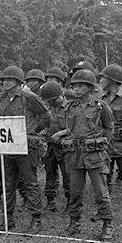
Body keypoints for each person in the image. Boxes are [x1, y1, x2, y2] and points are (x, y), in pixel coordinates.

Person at [51, 69, 114, 240]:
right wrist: (62, 135)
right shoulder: (70, 107)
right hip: (75, 154)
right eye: (74, 86)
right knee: (75, 191)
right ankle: (74, 222)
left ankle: (107, 224)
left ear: (89, 87)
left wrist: (103, 144)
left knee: (101, 191)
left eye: (80, 86)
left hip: (95, 155)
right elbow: (70, 128)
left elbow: (109, 127)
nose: (76, 89)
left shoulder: (101, 107)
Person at [0, 66, 51, 232]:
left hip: (26, 147)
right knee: (8, 183)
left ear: (18, 82)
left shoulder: (29, 97)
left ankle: (36, 218)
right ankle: (8, 218)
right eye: (3, 80)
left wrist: (32, 132)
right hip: (7, 146)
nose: (5, 83)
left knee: (30, 182)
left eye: (9, 80)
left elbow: (46, 116)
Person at [99, 64, 122, 224]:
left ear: (112, 80)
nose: (101, 80)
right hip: (107, 146)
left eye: (103, 78)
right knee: (104, 179)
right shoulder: (102, 99)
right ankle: (105, 210)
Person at [39, 81, 70, 213]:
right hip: (50, 146)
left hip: (65, 147)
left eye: (51, 100)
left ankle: (71, 203)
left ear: (59, 96)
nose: (49, 103)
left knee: (68, 175)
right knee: (50, 174)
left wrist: (60, 134)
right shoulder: (48, 109)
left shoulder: (70, 107)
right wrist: (44, 132)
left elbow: (75, 128)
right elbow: (46, 124)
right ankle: (50, 202)